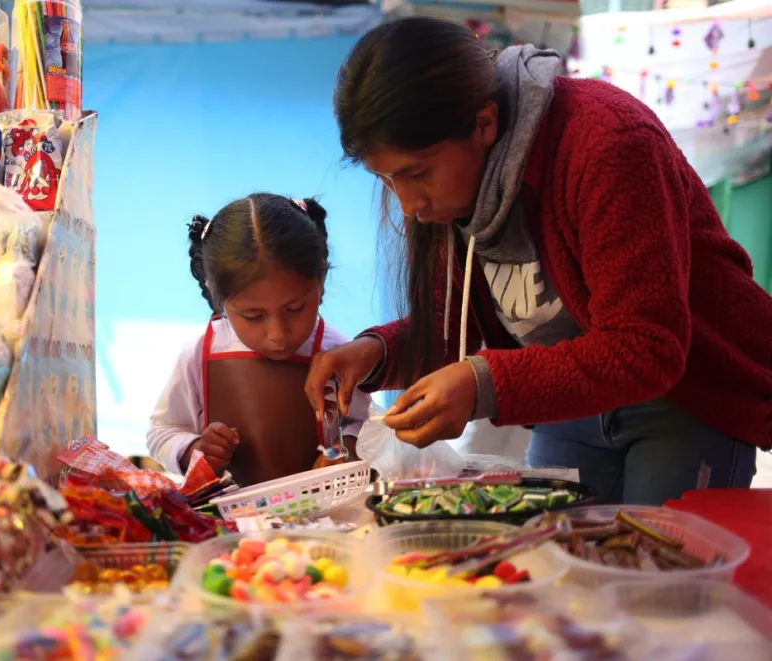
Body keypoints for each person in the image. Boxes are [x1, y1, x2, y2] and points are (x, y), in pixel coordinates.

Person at [305, 17, 772, 505]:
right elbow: (453, 325)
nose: (407, 205)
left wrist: (483, 383)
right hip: (574, 406)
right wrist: (374, 353)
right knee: (553, 548)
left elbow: (646, 346)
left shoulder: (609, 143)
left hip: (685, 400)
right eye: (387, 179)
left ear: (484, 124)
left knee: (663, 550)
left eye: (417, 174)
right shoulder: (451, 187)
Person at [148, 193, 371, 486]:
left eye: (295, 309)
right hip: (230, 512)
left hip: (324, 509)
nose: (277, 335)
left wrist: (341, 451)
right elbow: (162, 432)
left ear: (321, 281)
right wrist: (195, 450)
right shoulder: (200, 351)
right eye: (253, 316)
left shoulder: (337, 351)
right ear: (217, 297)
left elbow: (366, 427)